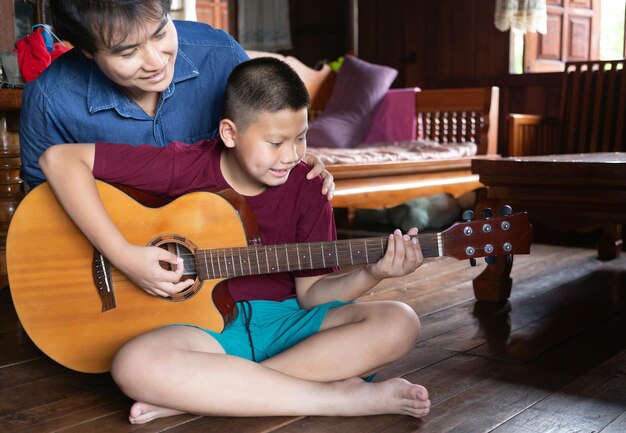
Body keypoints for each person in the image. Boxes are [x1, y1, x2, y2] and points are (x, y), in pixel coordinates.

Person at [39, 57, 431, 423]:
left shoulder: (309, 187)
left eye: (302, 138)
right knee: (133, 364)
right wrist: (122, 255)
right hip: (207, 332)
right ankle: (339, 400)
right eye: (276, 142)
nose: (292, 155)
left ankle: (209, 393)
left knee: (400, 321)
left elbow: (312, 295)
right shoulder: (185, 165)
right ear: (230, 133)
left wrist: (374, 273)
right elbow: (58, 160)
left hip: (288, 325)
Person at [20, 0, 334, 198]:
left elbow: (262, 136)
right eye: (128, 52)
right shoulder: (51, 99)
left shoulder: (221, 56)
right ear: (88, 50)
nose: (156, 61)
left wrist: (288, 160)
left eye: (160, 33)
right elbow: (40, 204)